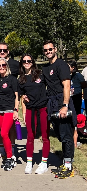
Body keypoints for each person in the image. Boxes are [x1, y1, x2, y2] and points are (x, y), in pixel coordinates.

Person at [42, 40, 76, 179]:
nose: (48, 52)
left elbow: (66, 85)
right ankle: (65, 163)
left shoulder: (61, 65)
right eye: (45, 50)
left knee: (67, 135)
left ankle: (69, 166)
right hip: (52, 103)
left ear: (55, 49)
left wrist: (65, 105)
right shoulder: (45, 68)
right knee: (61, 135)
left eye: (50, 49)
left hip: (61, 102)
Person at [18, 54, 50, 175]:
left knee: (45, 136)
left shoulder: (41, 74)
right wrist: (24, 110)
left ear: (32, 62)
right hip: (31, 110)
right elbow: (21, 96)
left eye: (29, 61)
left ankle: (44, 162)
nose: (27, 62)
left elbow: (51, 86)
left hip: (43, 108)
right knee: (30, 136)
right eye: (24, 61)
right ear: (22, 63)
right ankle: (29, 162)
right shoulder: (21, 79)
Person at [0, 43, 19, 162]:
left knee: (4, 133)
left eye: (3, 65)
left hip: (9, 109)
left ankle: (10, 155)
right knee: (1, 132)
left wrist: (16, 110)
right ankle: (5, 153)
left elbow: (17, 95)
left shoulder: (12, 77)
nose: (1, 67)